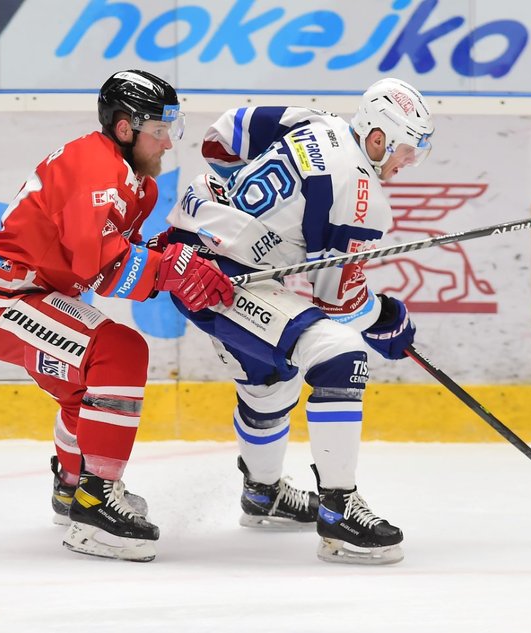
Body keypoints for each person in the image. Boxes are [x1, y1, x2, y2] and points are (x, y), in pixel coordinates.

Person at [0, 69, 234, 562]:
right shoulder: (96, 169)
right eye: (159, 130)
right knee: (120, 352)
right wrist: (169, 270)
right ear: (125, 128)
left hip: (34, 292)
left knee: (85, 385)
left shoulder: (136, 183)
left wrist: (172, 257)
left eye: (172, 129)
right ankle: (94, 504)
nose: (169, 143)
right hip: (6, 298)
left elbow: (114, 254)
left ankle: (71, 487)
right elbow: (102, 267)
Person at [154, 78, 434, 564]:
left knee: (270, 381)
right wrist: (386, 320)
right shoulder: (361, 193)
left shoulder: (314, 120)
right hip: (221, 280)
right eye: (408, 149)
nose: (409, 161)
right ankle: (339, 510)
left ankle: (264, 495)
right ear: (377, 137)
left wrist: (242, 210)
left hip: (184, 249)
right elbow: (339, 305)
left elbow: (221, 137)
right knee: (340, 357)